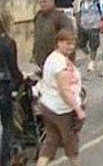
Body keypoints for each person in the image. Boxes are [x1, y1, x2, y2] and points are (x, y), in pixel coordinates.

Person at [36, 30, 85, 166]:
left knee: (51, 142)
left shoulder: (53, 58)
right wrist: (78, 109)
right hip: (62, 110)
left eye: (73, 44)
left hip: (48, 106)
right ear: (59, 43)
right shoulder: (59, 64)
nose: (71, 47)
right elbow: (65, 91)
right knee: (72, 147)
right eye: (67, 43)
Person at [0, 7, 23, 166]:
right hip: (3, 85)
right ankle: (5, 157)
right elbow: (13, 68)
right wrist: (21, 81)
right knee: (7, 122)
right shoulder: (8, 42)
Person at [32, 0, 73, 69]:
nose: (42, 4)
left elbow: (67, 36)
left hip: (55, 59)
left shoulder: (60, 17)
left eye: (44, 2)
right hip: (41, 58)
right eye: (40, 2)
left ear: (52, 1)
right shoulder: (38, 16)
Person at [76, 0, 103, 72]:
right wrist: (78, 23)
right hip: (83, 26)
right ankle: (88, 55)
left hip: (94, 26)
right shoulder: (81, 2)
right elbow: (78, 13)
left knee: (93, 45)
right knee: (81, 44)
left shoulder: (98, 2)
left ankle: (92, 62)